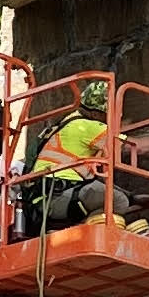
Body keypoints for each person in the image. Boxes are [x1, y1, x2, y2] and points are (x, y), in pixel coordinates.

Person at [23, 80, 116, 233]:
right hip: (55, 196)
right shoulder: (86, 127)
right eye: (108, 114)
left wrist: (132, 196)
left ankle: (72, 231)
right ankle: (79, 235)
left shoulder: (67, 122)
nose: (109, 119)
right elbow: (136, 147)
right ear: (96, 113)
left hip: (43, 198)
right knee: (117, 200)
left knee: (108, 193)